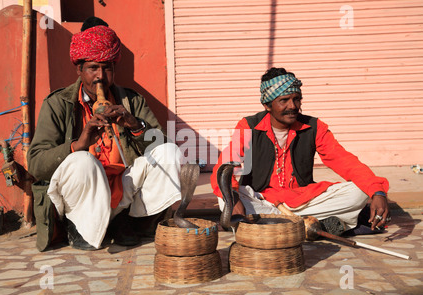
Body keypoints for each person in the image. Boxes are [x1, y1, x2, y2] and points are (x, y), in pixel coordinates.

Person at [27, 22, 182, 251]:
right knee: (83, 161)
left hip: (122, 189)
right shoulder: (58, 104)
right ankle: (78, 225)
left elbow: (163, 145)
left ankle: (129, 221)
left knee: (169, 152)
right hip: (81, 193)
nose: (101, 77)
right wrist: (78, 144)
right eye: (93, 68)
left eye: (107, 68)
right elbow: (36, 164)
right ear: (79, 70)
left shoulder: (131, 100)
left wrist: (134, 124)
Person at [211, 67, 390, 236]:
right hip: (262, 200)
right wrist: (234, 200)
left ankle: (274, 225)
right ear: (267, 105)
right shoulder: (248, 126)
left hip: (303, 200)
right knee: (225, 196)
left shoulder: (314, 127)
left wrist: (377, 192)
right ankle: (311, 224)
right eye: (284, 100)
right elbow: (224, 166)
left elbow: (345, 161)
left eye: (297, 99)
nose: (293, 106)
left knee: (358, 191)